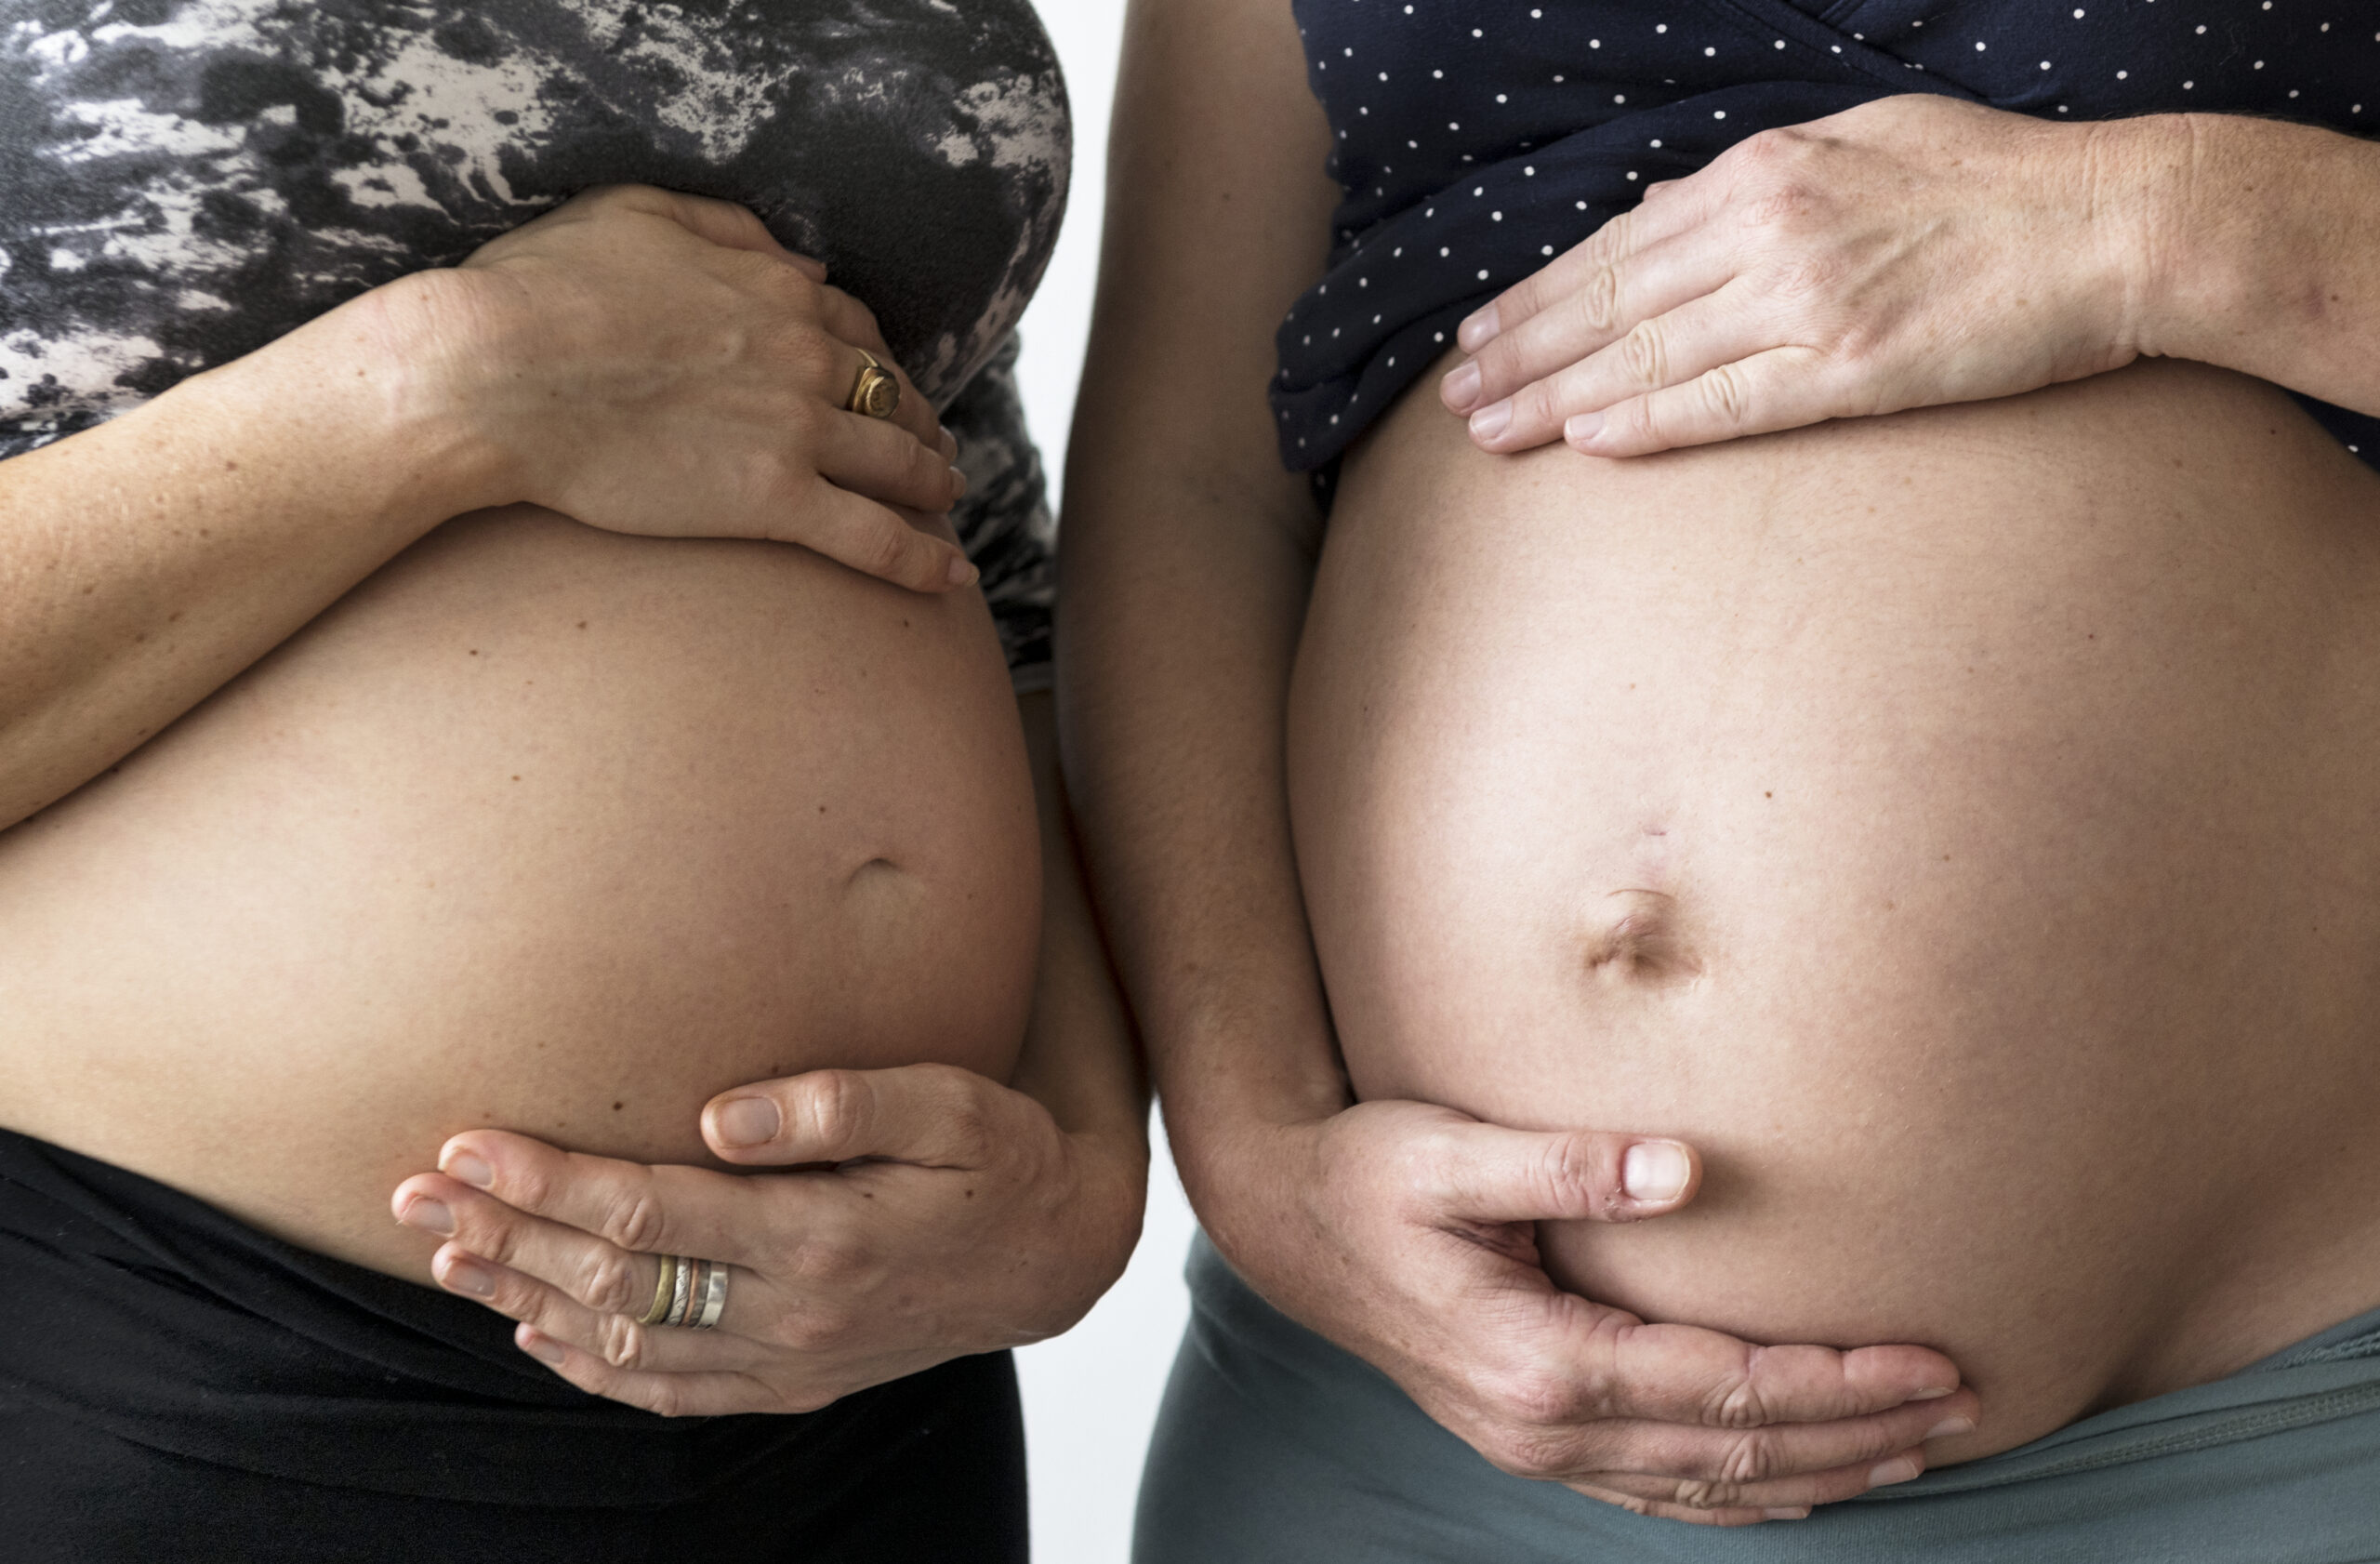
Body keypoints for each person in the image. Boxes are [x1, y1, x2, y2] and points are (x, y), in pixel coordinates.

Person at [1059, 0, 2380, 1557]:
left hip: (2275, 1419)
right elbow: (1193, 481)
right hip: (1412, 1422)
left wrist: (2146, 228)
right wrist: (1266, 1170)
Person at [0, 4, 1142, 1560]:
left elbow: (969, 527)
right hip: (193, 1342)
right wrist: (447, 378)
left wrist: (1078, 1169)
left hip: (876, 1356)